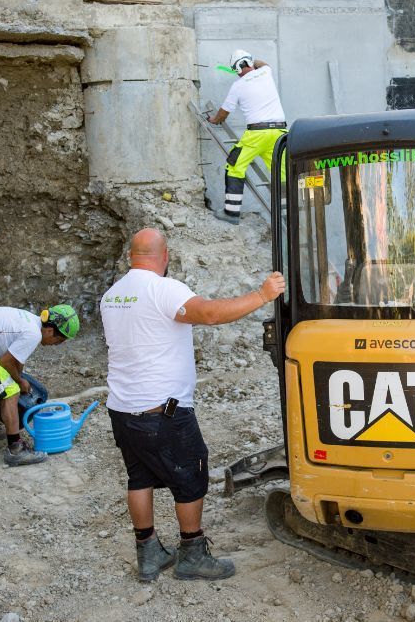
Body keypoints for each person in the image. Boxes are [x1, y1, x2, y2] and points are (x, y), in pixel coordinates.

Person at [100, 228, 285, 581]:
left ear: (130, 257)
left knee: (139, 477)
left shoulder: (112, 295)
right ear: (164, 255)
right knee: (191, 477)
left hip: (123, 409)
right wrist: (262, 295)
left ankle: (149, 552)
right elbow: (210, 314)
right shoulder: (164, 289)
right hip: (162, 412)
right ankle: (192, 553)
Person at [0, 304, 80, 466]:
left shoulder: (30, 322)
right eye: (59, 340)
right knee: (11, 392)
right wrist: (19, 381)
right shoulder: (33, 334)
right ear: (49, 330)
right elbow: (5, 362)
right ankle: (15, 449)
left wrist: (19, 376)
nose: (56, 344)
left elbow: (16, 360)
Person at [207, 49, 287, 225]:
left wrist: (214, 120)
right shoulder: (266, 72)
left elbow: (224, 113)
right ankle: (286, 213)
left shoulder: (238, 86)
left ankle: (232, 212)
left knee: (235, 165)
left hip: (257, 134)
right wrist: (252, 62)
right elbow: (262, 63)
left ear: (235, 68)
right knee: (282, 172)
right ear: (249, 62)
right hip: (280, 133)